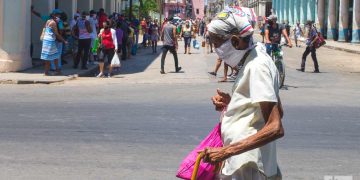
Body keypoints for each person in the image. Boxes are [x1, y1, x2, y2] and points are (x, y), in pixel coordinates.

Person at [201, 10, 284, 179]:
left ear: (235, 41)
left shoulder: (256, 66)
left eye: (216, 43)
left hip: (247, 165)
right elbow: (274, 109)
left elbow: (275, 126)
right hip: (243, 161)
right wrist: (233, 103)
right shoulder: (255, 58)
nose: (216, 49)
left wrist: (226, 151)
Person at [40, 11, 67, 76]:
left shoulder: (48, 21)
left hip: (46, 40)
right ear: (55, 16)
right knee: (55, 56)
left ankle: (47, 72)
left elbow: (44, 28)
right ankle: (56, 71)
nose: (59, 18)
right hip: (50, 41)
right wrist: (64, 41)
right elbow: (57, 34)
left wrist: (42, 36)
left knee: (49, 57)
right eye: (58, 16)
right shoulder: (53, 23)